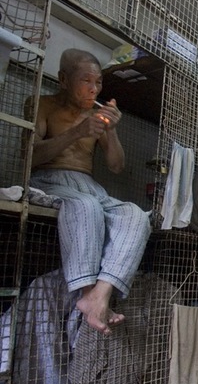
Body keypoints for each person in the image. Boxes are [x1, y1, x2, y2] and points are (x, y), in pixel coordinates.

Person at [27, 48, 151, 336]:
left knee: (135, 215)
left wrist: (112, 130)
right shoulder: (42, 104)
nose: (94, 89)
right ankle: (86, 292)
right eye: (86, 81)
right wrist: (77, 132)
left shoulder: (97, 116)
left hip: (89, 186)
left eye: (98, 82)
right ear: (63, 79)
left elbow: (117, 166)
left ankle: (99, 295)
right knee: (85, 206)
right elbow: (29, 156)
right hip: (50, 180)